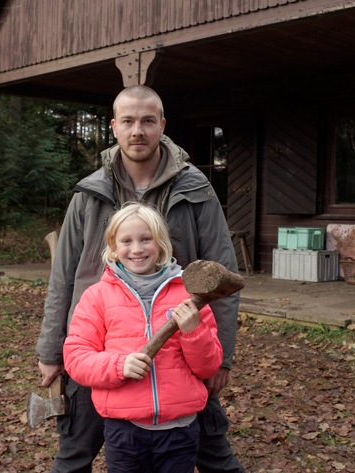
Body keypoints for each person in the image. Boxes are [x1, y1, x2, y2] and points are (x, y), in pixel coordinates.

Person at [36, 84, 245, 473]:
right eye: (128, 121)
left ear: (162, 125)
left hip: (178, 359)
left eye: (148, 121)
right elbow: (62, 277)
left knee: (216, 458)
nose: (138, 131)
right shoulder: (89, 193)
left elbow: (224, 279)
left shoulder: (196, 189)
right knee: (73, 458)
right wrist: (51, 350)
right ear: (114, 127)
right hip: (101, 350)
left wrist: (223, 359)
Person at [63, 202, 223, 473]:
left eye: (146, 239)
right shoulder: (97, 297)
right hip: (124, 430)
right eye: (126, 241)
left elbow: (208, 367)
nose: (137, 249)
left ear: (160, 243)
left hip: (180, 430)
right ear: (113, 247)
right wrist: (118, 365)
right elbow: (77, 358)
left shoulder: (187, 294)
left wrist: (194, 331)